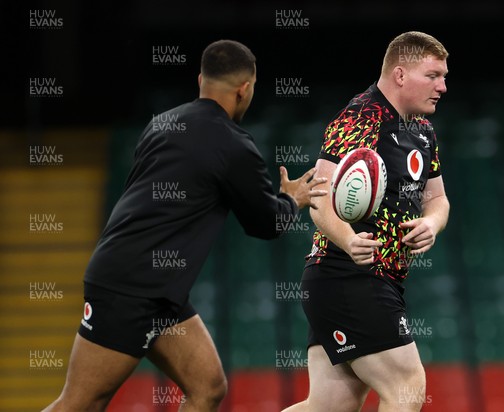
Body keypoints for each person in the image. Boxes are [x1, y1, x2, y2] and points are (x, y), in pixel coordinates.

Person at [43, 39, 327, 412]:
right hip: (130, 287)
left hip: (156, 288)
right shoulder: (234, 144)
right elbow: (266, 224)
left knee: (208, 387)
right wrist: (293, 199)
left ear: (200, 80)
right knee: (80, 403)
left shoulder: (162, 123)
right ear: (245, 89)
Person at [283, 31, 450, 412]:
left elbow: (438, 199)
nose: (442, 86)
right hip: (348, 275)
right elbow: (318, 200)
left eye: (444, 76)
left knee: (327, 407)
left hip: (366, 281)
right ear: (401, 74)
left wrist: (432, 223)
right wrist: (348, 239)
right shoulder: (360, 117)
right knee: (407, 384)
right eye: (433, 75)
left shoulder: (423, 132)